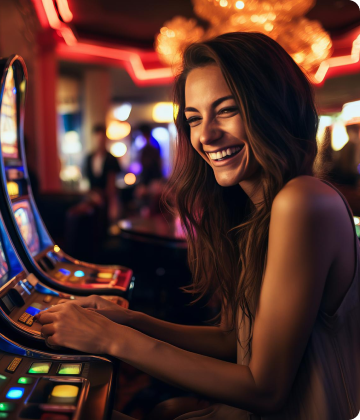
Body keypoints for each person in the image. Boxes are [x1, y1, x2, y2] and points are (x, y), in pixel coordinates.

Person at [35, 32, 360, 420]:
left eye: (226, 110)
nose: (205, 135)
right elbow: (233, 340)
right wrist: (131, 320)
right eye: (194, 119)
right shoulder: (257, 210)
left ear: (272, 109)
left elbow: (266, 388)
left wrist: (112, 338)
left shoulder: (303, 199)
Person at [84, 123, 121, 223]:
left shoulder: (111, 159)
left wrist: (110, 202)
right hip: (92, 197)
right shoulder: (89, 158)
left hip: (106, 198)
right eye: (97, 139)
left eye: (101, 139)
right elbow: (86, 180)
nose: (99, 142)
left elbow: (111, 184)